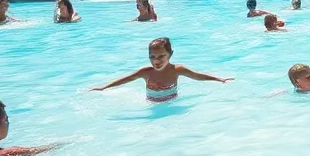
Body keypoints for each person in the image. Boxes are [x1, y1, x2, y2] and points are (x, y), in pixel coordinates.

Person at [93, 37, 231, 101]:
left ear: (170, 54)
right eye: (152, 57)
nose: (156, 61)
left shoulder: (177, 70)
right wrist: (104, 87)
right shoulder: (145, 73)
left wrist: (219, 79)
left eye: (161, 56)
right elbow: (126, 79)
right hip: (151, 105)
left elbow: (197, 76)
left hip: (172, 103)